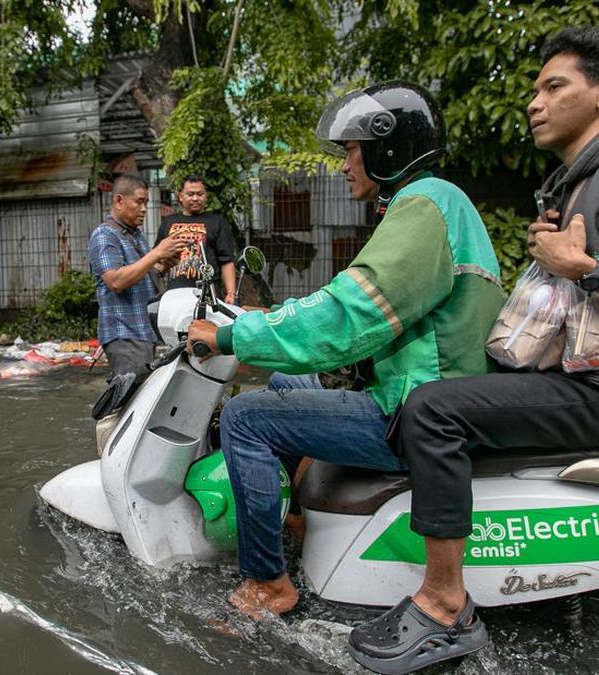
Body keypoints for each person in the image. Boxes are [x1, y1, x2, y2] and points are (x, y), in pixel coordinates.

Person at [348, 26, 599, 674]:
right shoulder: (578, 179)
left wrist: (585, 269)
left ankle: (445, 604)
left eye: (554, 86)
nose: (535, 101)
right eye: (534, 88)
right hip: (573, 376)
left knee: (432, 409)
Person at [184, 83, 506, 620]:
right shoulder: (428, 205)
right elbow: (353, 302)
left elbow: (346, 317)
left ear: (387, 148)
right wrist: (269, 322)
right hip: (416, 395)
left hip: (414, 412)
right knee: (287, 383)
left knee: (243, 417)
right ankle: (296, 521)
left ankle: (268, 584)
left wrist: (231, 336)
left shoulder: (427, 204)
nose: (344, 165)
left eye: (351, 151)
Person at [89, 174, 187, 376]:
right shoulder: (105, 234)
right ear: (118, 200)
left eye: (146, 203)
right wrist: (157, 253)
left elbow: (141, 273)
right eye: (139, 202)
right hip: (124, 333)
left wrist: (164, 265)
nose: (144, 209)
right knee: (130, 399)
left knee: (142, 397)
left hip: (142, 331)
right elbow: (115, 281)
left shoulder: (135, 234)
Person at [156, 175, 238, 302]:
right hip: (175, 297)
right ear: (180, 196)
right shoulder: (168, 222)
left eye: (200, 194)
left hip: (208, 296)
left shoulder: (218, 222)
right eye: (190, 194)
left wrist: (231, 293)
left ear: (206, 196)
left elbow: (226, 261)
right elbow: (157, 259)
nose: (195, 198)